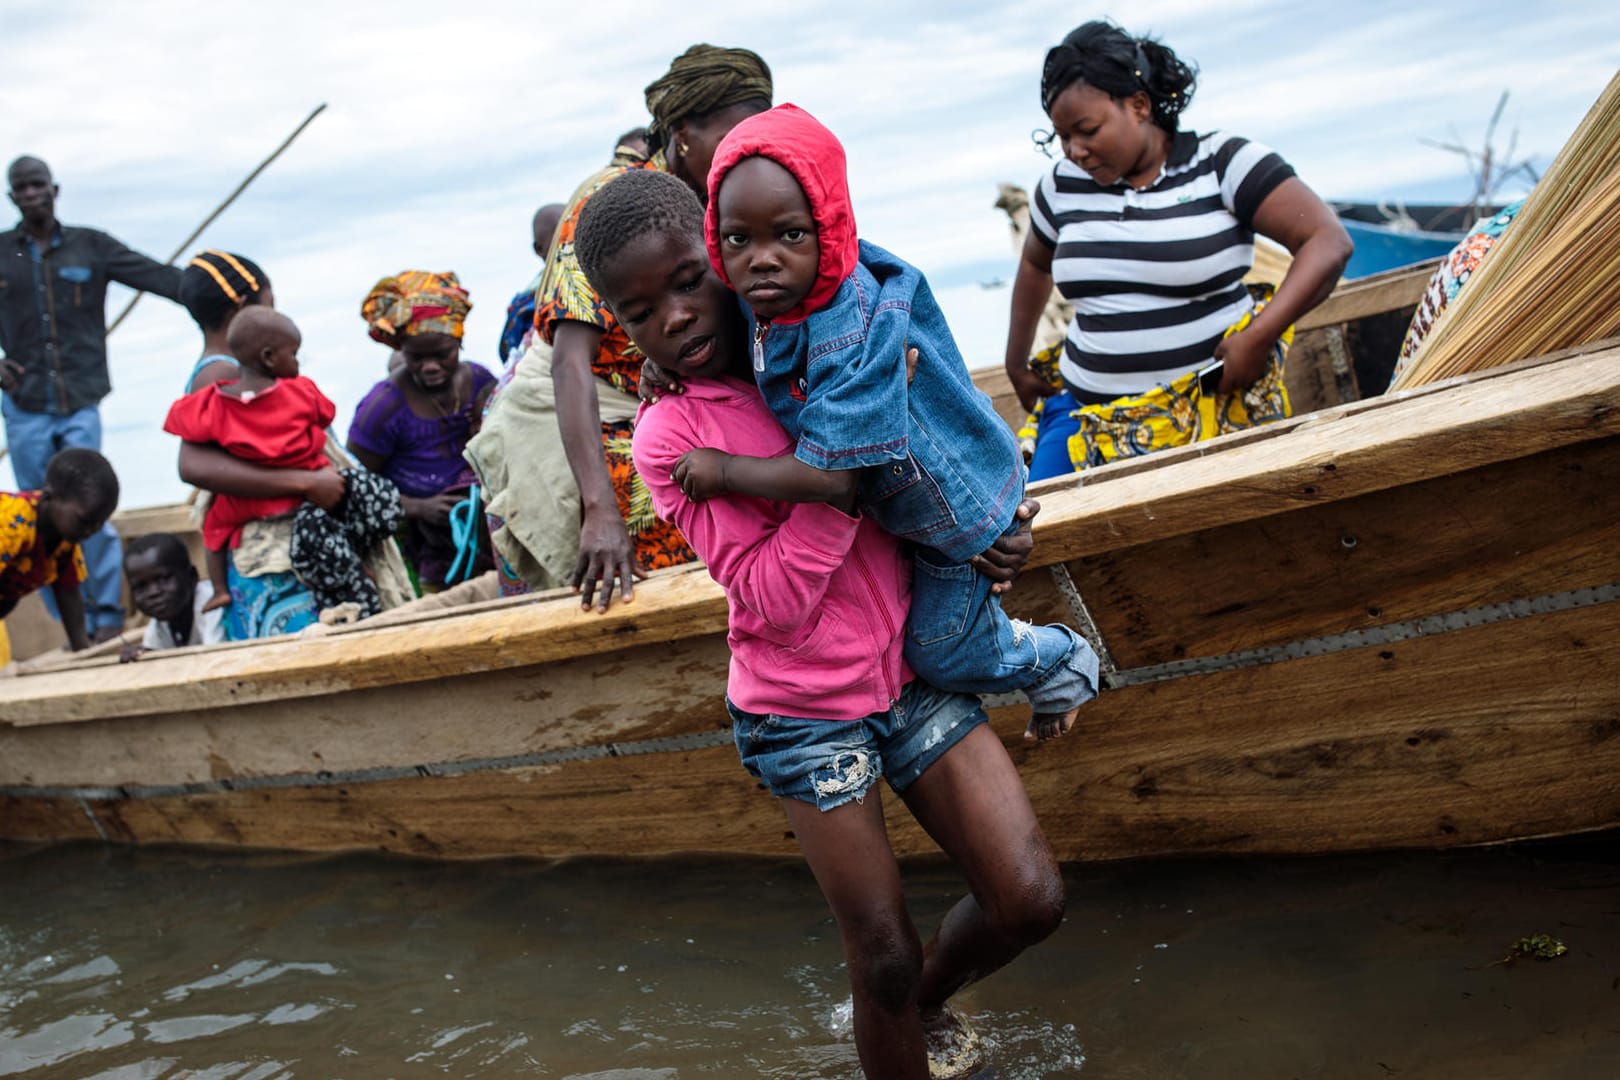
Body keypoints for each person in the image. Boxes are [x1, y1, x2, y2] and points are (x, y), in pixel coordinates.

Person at [583, 169, 1065, 1080]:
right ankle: (896, 1017)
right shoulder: (671, 437)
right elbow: (771, 595)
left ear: (726, 255)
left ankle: (916, 1013)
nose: (676, 319)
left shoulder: (817, 345)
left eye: (690, 280)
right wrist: (843, 481)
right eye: (640, 312)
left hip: (911, 667)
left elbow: (938, 464)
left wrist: (990, 536)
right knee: (879, 952)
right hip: (801, 709)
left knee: (1029, 900)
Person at [653, 105, 1098, 738]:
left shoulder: (848, 329)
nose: (762, 260)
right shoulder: (773, 299)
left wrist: (726, 471)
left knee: (942, 650)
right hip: (911, 508)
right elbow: (725, 336)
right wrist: (659, 369)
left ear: (828, 229)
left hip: (954, 514)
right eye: (738, 240)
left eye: (790, 235)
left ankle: (1062, 662)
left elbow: (832, 478)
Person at [1005, 21, 1352, 479]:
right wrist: (1016, 361)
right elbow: (1034, 264)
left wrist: (1258, 336)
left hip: (1210, 415)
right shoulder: (1061, 187)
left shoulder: (1222, 163)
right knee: (1040, 537)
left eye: (1087, 131)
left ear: (1139, 105)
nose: (1074, 151)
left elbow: (1327, 243)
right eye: (1062, 137)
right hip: (1085, 421)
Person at [0, 156, 184, 643]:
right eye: (21, 188)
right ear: (11, 196)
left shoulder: (91, 245)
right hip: (24, 404)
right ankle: (70, 626)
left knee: (88, 509)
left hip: (80, 396)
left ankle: (106, 621)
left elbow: (156, 276)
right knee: (39, 517)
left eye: (38, 185)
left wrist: (213, 292)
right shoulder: (2, 253)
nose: (32, 194)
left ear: (54, 189)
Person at [165, 308, 401, 619]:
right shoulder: (299, 391)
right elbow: (325, 413)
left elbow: (178, 421)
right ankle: (360, 572)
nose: (298, 362)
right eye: (294, 354)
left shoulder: (212, 403)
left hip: (246, 503)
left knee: (214, 528)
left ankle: (219, 589)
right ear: (269, 357)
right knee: (358, 503)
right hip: (311, 488)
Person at [350, 271, 495, 592]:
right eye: (416, 357)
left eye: (442, 355)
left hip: (490, 540)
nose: (430, 366)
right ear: (401, 351)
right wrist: (418, 507)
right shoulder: (381, 408)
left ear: (459, 342)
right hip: (423, 553)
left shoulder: (480, 382)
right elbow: (355, 484)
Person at [0, 447, 119, 654]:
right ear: (49, 498)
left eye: (100, 523)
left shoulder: (65, 543)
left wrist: (81, 650)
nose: (92, 531)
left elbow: (68, 592)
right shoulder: (10, 525)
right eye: (85, 521)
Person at [178, 249, 274, 392]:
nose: (278, 323)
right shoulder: (224, 376)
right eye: (269, 310)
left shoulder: (220, 370)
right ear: (244, 308)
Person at [120, 532, 227, 659]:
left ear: (192, 577)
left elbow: (214, 659)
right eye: (141, 586)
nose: (153, 592)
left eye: (164, 579)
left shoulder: (212, 607)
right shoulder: (158, 626)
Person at [497, 203, 566, 366]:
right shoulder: (526, 303)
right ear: (538, 249)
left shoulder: (598, 280)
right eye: (559, 231)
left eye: (573, 225)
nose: (569, 236)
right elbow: (508, 353)